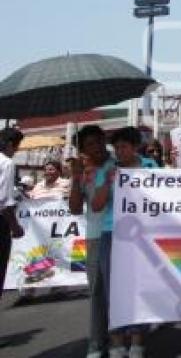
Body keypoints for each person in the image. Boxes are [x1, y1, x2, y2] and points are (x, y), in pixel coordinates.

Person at [92, 126, 158, 358]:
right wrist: (107, 183)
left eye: (124, 147)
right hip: (112, 233)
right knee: (113, 289)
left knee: (140, 287)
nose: (119, 151)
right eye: (116, 147)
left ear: (135, 147)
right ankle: (117, 341)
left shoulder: (151, 167)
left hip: (142, 235)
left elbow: (163, 198)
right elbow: (96, 206)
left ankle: (138, 341)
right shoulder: (108, 170)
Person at [68, 125, 113, 358]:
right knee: (96, 291)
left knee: (119, 291)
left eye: (98, 141)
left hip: (121, 235)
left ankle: (122, 338)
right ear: (82, 149)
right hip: (95, 236)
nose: (96, 148)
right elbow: (75, 208)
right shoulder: (83, 172)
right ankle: (96, 343)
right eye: (89, 145)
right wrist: (76, 178)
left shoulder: (117, 164)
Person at [0, 128, 25, 301]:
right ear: (10, 144)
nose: (16, 151)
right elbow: (4, 201)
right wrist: (15, 227)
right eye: (16, 146)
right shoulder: (6, 163)